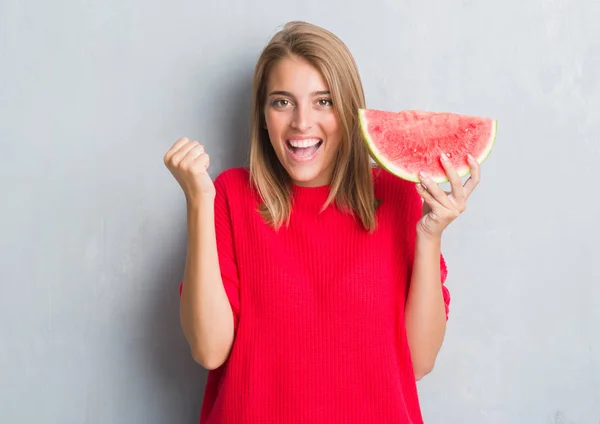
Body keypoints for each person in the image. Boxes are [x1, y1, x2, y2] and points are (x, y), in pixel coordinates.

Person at [164, 20, 480, 424]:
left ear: (349, 112)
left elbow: (418, 361)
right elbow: (209, 349)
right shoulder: (229, 195)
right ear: (262, 115)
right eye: (282, 102)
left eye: (323, 101)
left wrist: (429, 235)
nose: (301, 123)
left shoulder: (399, 196)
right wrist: (197, 200)